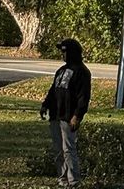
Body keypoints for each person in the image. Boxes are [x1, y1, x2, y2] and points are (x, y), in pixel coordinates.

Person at [40, 38, 92, 188]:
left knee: (68, 149)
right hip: (55, 114)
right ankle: (62, 179)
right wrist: (45, 105)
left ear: (72, 53)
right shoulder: (61, 71)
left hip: (69, 117)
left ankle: (74, 181)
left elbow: (84, 97)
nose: (62, 54)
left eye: (64, 51)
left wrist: (77, 116)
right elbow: (53, 91)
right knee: (58, 150)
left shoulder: (82, 72)